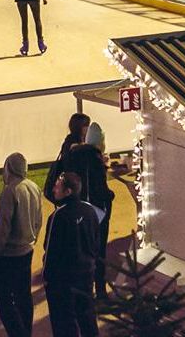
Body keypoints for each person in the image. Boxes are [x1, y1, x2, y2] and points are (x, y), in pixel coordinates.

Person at [0, 152, 43, 337]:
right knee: (23, 296)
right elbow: (38, 220)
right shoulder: (34, 187)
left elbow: (2, 227)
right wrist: (33, 239)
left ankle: (17, 333)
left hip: (9, 254)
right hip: (27, 250)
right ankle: (25, 332)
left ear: (8, 168)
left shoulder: (10, 191)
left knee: (2, 299)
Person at [43, 171, 99, 337]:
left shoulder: (58, 216)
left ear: (68, 192)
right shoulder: (90, 210)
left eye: (58, 186)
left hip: (63, 280)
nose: (54, 188)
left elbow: (50, 249)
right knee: (88, 318)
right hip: (86, 275)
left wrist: (47, 277)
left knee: (63, 323)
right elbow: (96, 241)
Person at [64, 122, 115, 299]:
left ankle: (82, 289)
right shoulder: (95, 158)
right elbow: (100, 189)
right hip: (96, 212)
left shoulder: (75, 154)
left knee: (82, 249)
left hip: (78, 209)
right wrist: (111, 196)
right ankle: (100, 290)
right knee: (99, 251)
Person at [44, 113, 90, 202]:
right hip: (75, 187)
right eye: (87, 125)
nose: (89, 128)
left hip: (73, 185)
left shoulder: (69, 141)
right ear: (81, 127)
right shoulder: (75, 145)